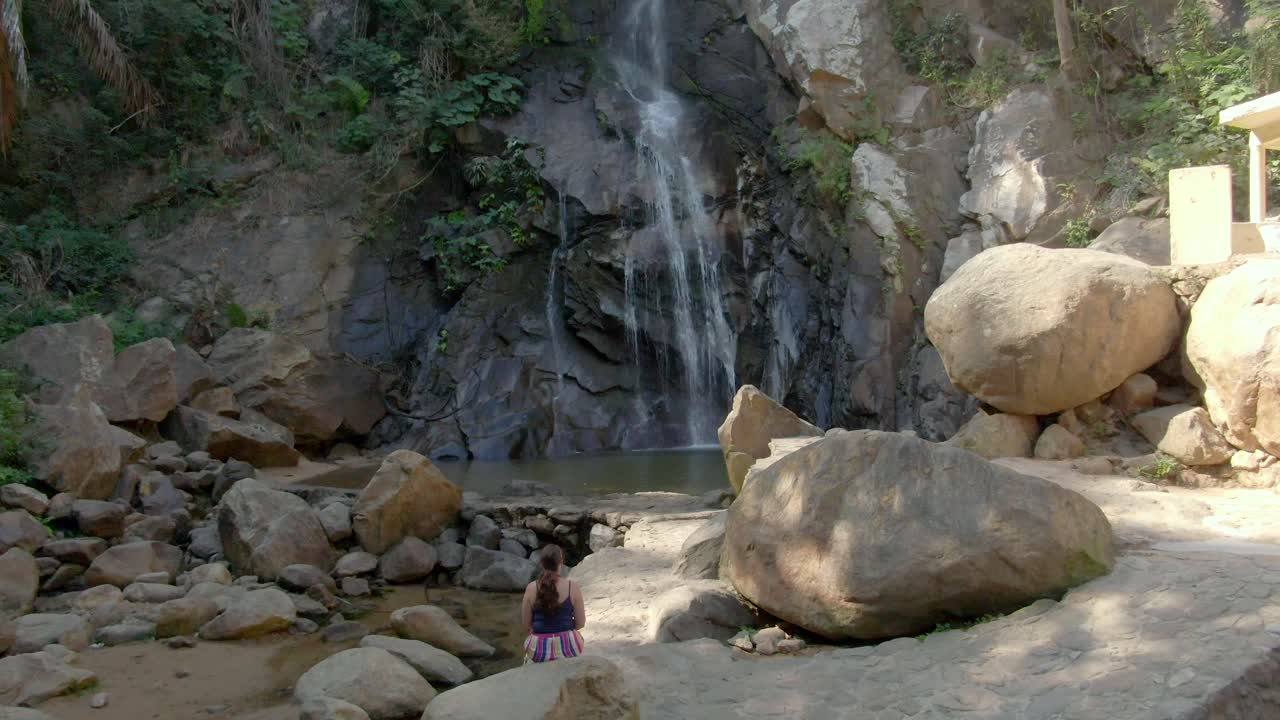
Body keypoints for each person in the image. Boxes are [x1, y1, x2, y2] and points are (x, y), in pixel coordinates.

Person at [521, 544, 585, 663]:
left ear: (541, 563)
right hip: (568, 647)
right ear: (561, 562)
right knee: (579, 637)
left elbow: (526, 625)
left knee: (528, 646)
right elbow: (580, 623)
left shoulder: (531, 588)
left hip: (538, 650)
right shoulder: (572, 587)